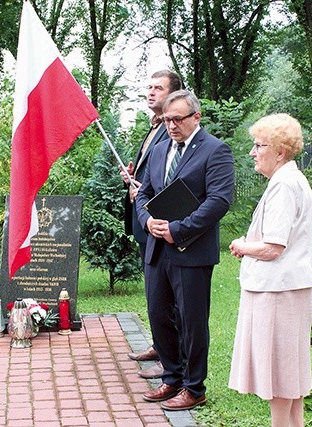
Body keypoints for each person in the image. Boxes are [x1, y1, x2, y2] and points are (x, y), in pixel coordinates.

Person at [135, 90, 235, 411]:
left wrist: (178, 229)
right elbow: (143, 194)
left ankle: (194, 388)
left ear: (196, 117)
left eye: (178, 119)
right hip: (156, 248)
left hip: (191, 251)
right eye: (166, 120)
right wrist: (148, 220)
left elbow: (219, 201)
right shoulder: (159, 148)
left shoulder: (215, 150)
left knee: (192, 322)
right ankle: (172, 377)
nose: (171, 126)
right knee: (158, 313)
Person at [228, 113, 312, 427]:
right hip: (286, 289)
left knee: (281, 377)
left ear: (279, 151)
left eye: (259, 145)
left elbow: (273, 247)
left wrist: (242, 246)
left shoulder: (284, 185)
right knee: (290, 378)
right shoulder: (290, 180)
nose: (253, 152)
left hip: (279, 292)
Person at [121, 70, 182, 380]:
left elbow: (175, 180)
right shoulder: (154, 129)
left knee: (166, 296)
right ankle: (161, 346)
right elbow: (151, 175)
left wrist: (142, 188)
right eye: (149, 87)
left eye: (158, 88)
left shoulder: (171, 132)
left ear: (173, 95)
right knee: (155, 293)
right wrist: (134, 180)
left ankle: (171, 356)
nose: (150, 92)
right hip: (146, 221)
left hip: (162, 223)